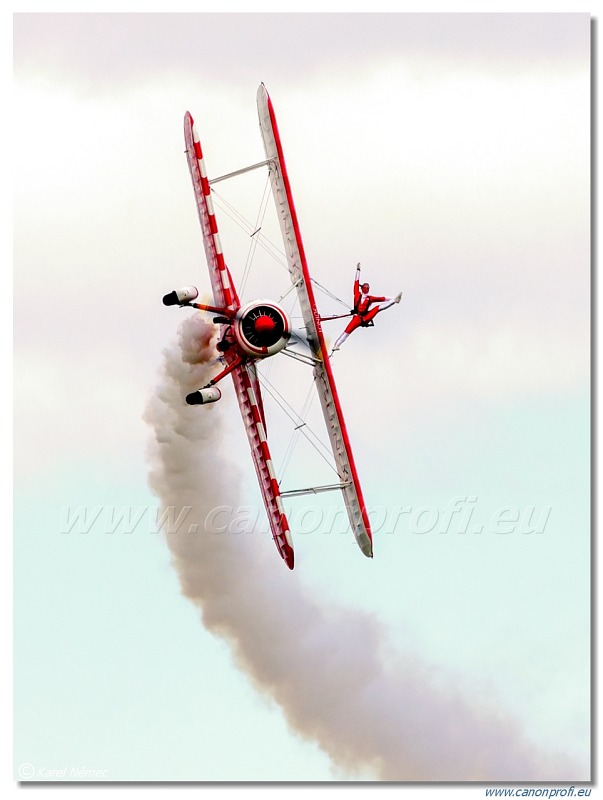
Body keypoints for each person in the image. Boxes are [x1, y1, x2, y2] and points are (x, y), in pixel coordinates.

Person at [331, 263, 402, 352]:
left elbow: (382, 298)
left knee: (378, 308)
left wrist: (393, 298)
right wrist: (358, 271)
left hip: (365, 317)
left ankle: (394, 301)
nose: (367, 288)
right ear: (363, 288)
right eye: (366, 287)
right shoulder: (357, 294)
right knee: (347, 331)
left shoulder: (370, 298)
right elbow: (356, 282)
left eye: (368, 287)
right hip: (357, 317)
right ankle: (336, 345)